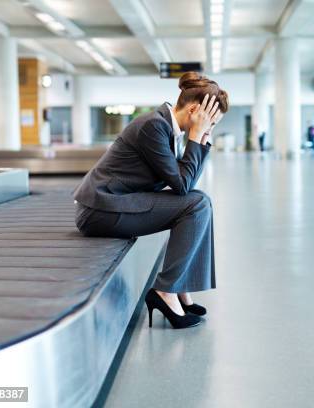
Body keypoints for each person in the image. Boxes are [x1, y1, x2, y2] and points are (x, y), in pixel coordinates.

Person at [73, 72, 228, 329]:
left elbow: (188, 183)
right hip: (101, 210)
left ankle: (180, 286)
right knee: (196, 204)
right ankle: (166, 291)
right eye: (210, 123)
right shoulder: (153, 126)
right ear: (194, 111)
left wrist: (200, 138)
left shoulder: (168, 128)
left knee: (201, 200)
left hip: (118, 203)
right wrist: (196, 137)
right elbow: (181, 185)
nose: (210, 130)